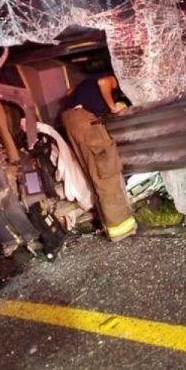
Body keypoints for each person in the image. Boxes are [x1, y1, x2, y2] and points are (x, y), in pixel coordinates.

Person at [60, 72, 137, 242]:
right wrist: (113, 107)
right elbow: (104, 82)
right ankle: (121, 229)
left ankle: (109, 226)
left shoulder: (86, 83)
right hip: (85, 123)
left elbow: (69, 92)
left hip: (72, 122)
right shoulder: (109, 78)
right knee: (106, 172)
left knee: (95, 175)